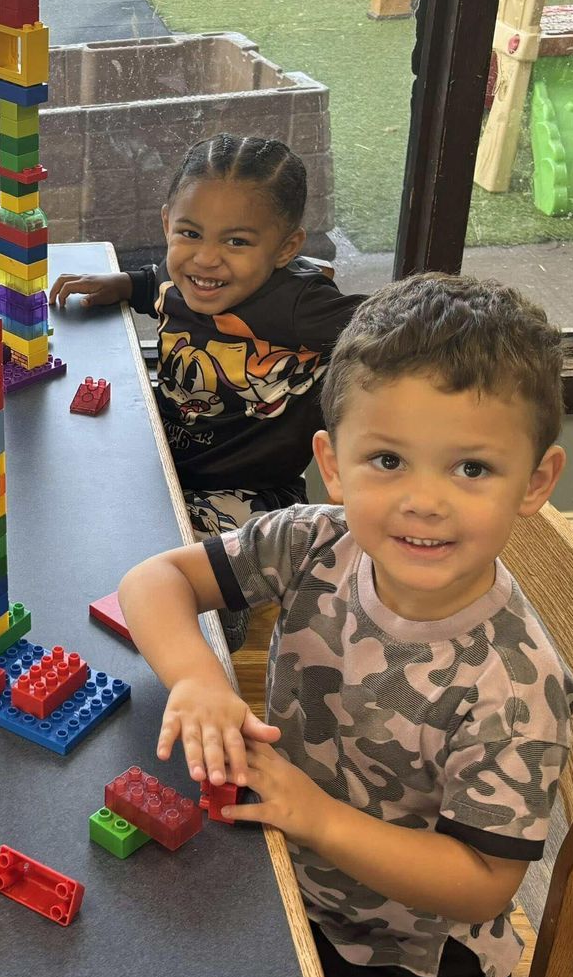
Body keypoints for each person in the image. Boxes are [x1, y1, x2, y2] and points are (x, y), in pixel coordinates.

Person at [117, 272, 573, 977]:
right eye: (388, 461)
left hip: (409, 963)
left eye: (472, 469)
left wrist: (317, 817)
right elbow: (152, 585)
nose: (424, 502)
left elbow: (483, 879)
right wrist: (202, 683)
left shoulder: (516, 683)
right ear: (333, 463)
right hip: (281, 882)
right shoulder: (317, 542)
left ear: (538, 481)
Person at [49, 133, 362, 648]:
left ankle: (219, 623)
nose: (206, 260)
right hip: (167, 467)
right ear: (168, 221)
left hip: (249, 495)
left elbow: (390, 324)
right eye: (190, 233)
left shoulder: (299, 307)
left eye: (236, 242)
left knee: (190, 587)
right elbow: (163, 284)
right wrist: (125, 283)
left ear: (286, 248)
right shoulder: (188, 281)